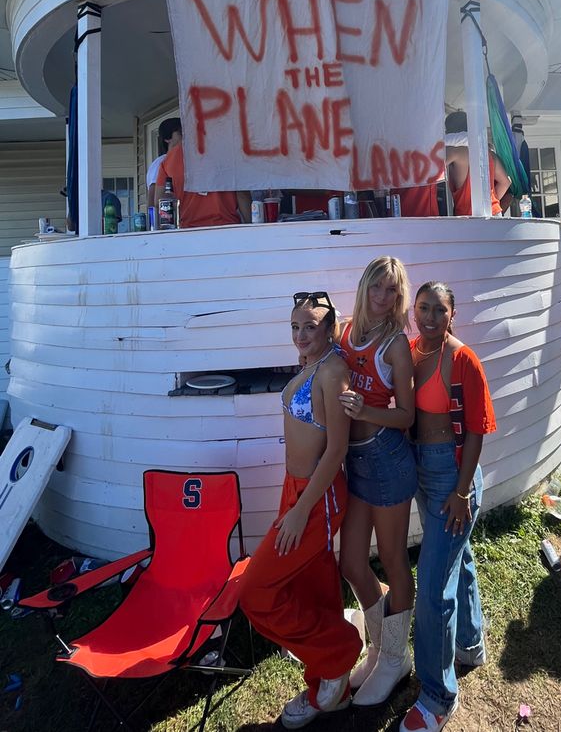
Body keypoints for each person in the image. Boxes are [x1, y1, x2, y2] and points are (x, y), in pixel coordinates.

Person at [239, 292, 362, 729]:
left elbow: (336, 451)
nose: (301, 335)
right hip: (295, 491)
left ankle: (341, 650)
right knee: (314, 587)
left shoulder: (332, 372)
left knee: (255, 594)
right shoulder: (311, 365)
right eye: (295, 327)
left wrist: (299, 510)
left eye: (310, 326)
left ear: (330, 328)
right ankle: (332, 688)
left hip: (317, 496)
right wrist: (290, 500)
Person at [400, 281, 496, 732]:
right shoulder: (411, 351)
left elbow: (475, 429)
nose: (431, 317)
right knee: (460, 555)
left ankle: (438, 695)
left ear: (452, 314)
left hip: (451, 475)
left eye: (439, 310)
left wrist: (461, 493)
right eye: (424, 308)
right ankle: (471, 643)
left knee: (433, 587)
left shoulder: (463, 360)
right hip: (420, 467)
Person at [337, 256, 417, 706]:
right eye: (377, 288)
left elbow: (406, 415)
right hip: (354, 460)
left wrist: (364, 411)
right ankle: (376, 647)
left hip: (386, 459)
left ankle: (394, 658)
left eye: (392, 291)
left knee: (392, 560)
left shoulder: (395, 345)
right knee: (351, 562)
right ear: (364, 286)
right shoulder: (346, 329)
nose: (384, 298)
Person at [154, 140, 251, 227]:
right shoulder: (227, 152)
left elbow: (159, 201)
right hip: (226, 228)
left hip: (187, 231)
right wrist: (251, 226)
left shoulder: (169, 159)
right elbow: (242, 194)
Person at [445, 111, 511, 216]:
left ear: (449, 131)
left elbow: (430, 164)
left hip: (468, 217)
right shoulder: (489, 154)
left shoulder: (455, 153)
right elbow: (506, 182)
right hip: (494, 213)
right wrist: (490, 204)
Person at [146, 117, 181, 209]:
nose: (184, 134)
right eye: (179, 132)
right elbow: (153, 199)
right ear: (167, 138)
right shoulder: (162, 162)